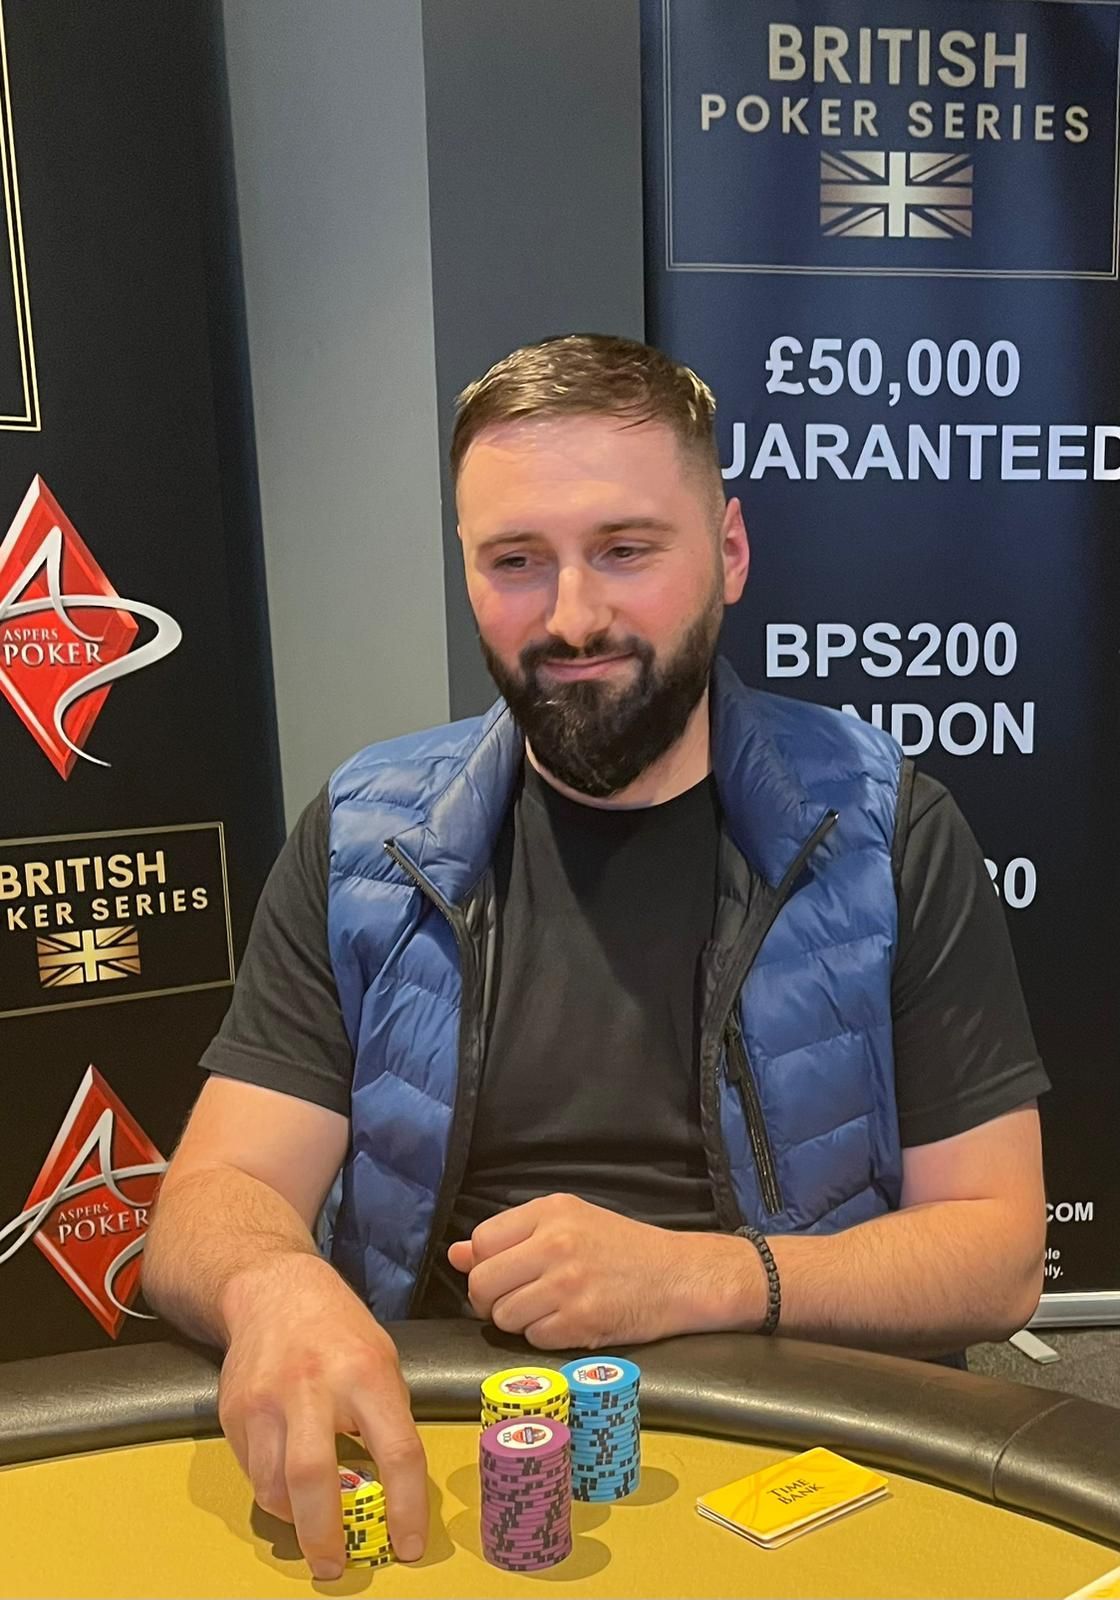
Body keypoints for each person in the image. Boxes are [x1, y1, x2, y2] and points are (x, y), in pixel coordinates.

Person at [142, 334, 1048, 1580]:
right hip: (460, 1454)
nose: (572, 616)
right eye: (516, 561)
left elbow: (994, 1254)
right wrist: (270, 1286)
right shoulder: (365, 834)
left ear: (726, 550)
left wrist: (698, 1277)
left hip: (809, 1444)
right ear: (466, 573)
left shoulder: (886, 828)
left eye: (626, 549)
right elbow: (212, 1196)